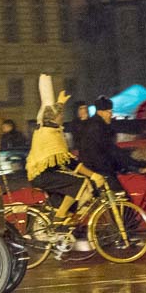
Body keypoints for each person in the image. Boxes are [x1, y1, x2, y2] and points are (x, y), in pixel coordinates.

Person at [26, 90, 101, 227]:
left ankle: (63, 221)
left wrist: (60, 103)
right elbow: (69, 162)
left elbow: (51, 113)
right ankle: (60, 216)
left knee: (71, 194)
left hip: (44, 174)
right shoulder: (49, 134)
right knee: (79, 182)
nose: (62, 117)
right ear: (55, 118)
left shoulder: (48, 128)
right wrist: (93, 175)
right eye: (60, 115)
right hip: (42, 176)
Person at [77, 95, 146, 194]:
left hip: (98, 168)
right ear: (100, 112)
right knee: (122, 198)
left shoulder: (96, 125)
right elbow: (112, 150)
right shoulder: (97, 128)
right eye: (109, 112)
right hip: (99, 171)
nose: (111, 115)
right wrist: (138, 164)